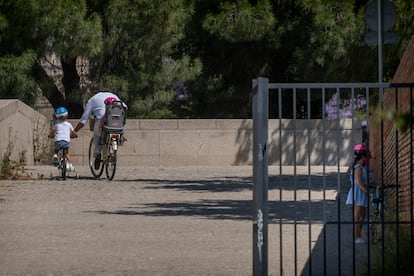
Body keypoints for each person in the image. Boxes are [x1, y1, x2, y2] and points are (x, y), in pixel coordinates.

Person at [73, 85, 127, 169]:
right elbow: (125, 107)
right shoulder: (112, 95)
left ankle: (97, 152)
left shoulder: (92, 100)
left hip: (103, 122)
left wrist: (75, 131)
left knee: (97, 134)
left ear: (91, 92)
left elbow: (84, 120)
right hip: (118, 122)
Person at [346, 143, 370, 244]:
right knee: (358, 217)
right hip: (358, 193)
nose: (367, 159)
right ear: (362, 156)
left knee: (362, 216)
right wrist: (369, 191)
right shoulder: (358, 168)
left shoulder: (361, 167)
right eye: (366, 157)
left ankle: (359, 236)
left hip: (362, 193)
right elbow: (359, 182)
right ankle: (356, 238)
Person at [48, 106, 77, 171]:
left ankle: (55, 155)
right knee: (67, 153)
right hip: (66, 142)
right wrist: (75, 135)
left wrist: (50, 136)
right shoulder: (68, 124)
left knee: (56, 149)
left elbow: (52, 132)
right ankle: (71, 165)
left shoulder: (56, 124)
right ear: (66, 115)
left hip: (58, 141)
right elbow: (73, 133)